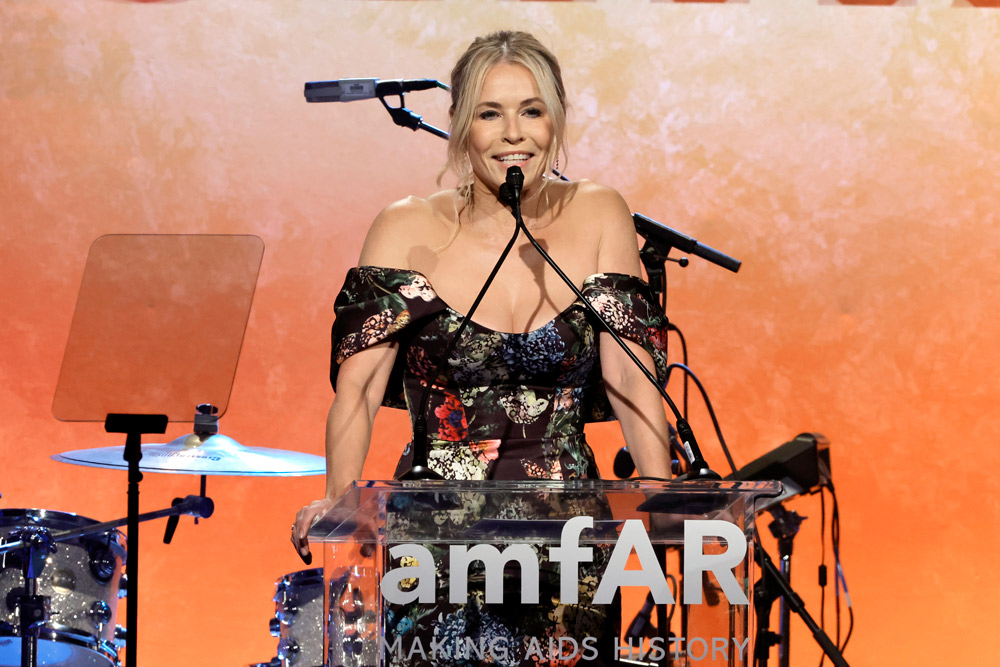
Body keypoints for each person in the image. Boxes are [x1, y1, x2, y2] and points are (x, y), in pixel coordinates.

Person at [292, 30, 674, 665]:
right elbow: (357, 389)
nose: (513, 133)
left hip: (567, 543)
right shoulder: (405, 225)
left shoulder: (601, 211)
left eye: (532, 110)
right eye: (490, 114)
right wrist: (339, 499)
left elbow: (632, 382)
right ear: (460, 125)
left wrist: (662, 499)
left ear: (556, 120)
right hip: (432, 541)